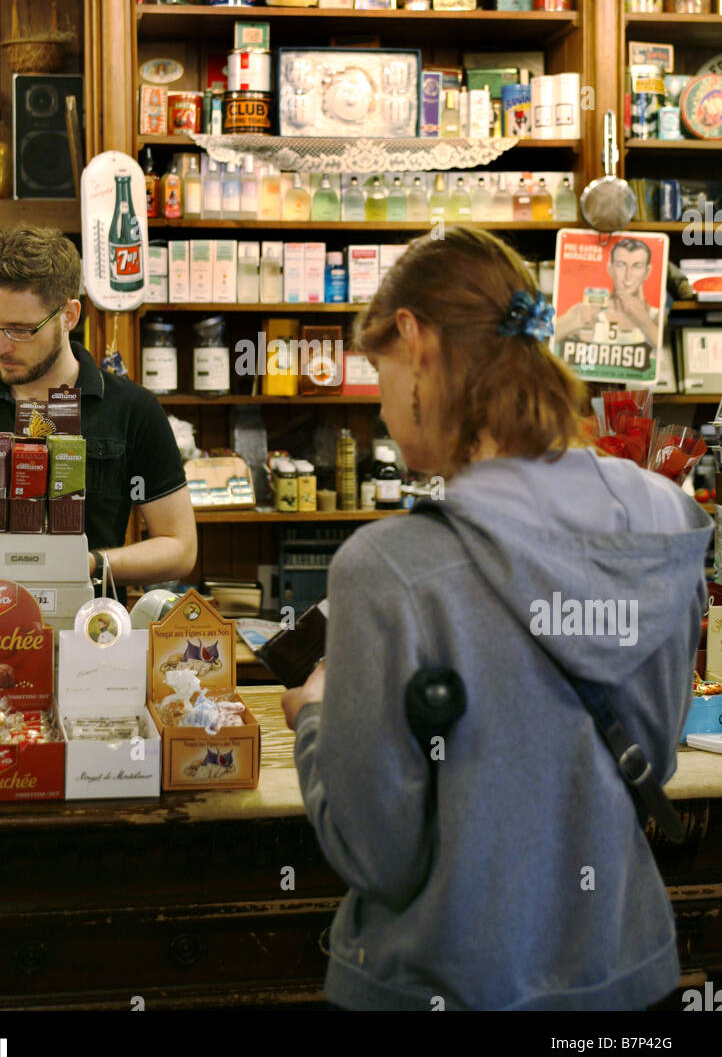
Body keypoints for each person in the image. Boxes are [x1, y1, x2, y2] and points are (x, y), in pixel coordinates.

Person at [282, 225, 710, 1012]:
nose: (380, 408)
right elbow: (652, 749)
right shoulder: (669, 518)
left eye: (379, 374)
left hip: (449, 985)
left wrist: (313, 719)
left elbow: (379, 855)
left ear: (416, 343)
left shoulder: (388, 570)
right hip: (628, 977)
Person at [0, 225, 196, 590]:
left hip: (90, 631)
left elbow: (180, 549)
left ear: (69, 315)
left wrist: (90, 563)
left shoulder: (133, 409)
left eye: (20, 329)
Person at [554, 237, 659, 355]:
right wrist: (575, 323)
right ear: (610, 269)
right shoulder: (585, 311)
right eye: (621, 265)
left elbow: (666, 352)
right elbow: (544, 339)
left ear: (647, 272)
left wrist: (643, 320)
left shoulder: (655, 316)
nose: (628, 275)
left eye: (637, 266)